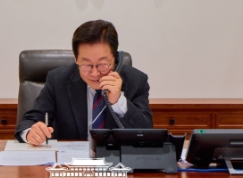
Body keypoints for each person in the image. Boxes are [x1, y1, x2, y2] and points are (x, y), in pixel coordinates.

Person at [15, 20, 153, 145]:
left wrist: (119, 102)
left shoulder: (136, 81)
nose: (95, 73)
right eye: (86, 65)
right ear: (76, 59)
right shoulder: (58, 80)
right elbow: (30, 120)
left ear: (115, 58)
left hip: (118, 161)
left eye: (102, 64)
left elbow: (146, 133)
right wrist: (31, 133)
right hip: (71, 161)